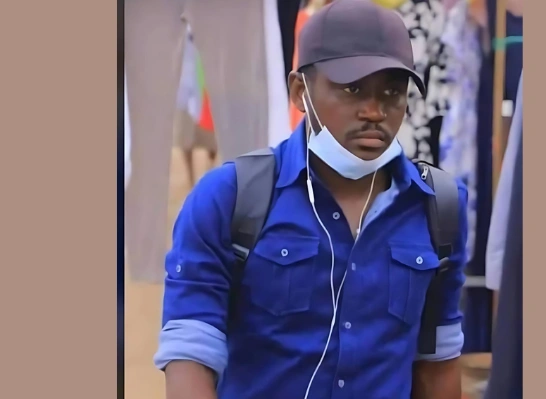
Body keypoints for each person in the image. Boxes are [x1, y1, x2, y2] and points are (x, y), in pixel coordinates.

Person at [154, 1, 468, 398]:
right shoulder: (231, 199)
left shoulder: (437, 207)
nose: (374, 111)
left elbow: (438, 363)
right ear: (300, 91)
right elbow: (190, 354)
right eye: (352, 89)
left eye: (392, 91)